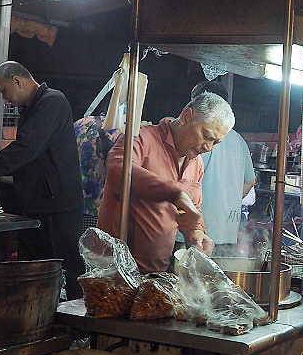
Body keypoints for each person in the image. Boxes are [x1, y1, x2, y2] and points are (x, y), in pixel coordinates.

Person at [0, 62, 85, 300]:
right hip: (35, 203)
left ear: (18, 81)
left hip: (57, 205)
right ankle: (36, 319)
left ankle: (77, 328)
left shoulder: (52, 102)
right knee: (33, 268)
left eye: (3, 90)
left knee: (66, 265)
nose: (4, 97)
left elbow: (26, 148)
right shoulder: (31, 108)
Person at [97, 91, 234, 273]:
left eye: (216, 142)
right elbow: (118, 169)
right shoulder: (142, 138)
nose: (209, 148)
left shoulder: (197, 163)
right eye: (207, 136)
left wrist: (196, 231)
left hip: (157, 272)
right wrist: (174, 193)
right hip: (115, 269)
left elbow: (193, 205)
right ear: (186, 116)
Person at [186, 81, 255, 253]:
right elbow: (250, 181)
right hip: (227, 232)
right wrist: (226, 200)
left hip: (193, 233)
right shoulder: (238, 140)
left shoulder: (191, 134)